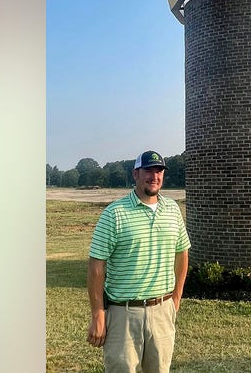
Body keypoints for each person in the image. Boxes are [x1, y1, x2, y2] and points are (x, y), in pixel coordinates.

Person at [86, 150, 191, 373]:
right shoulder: (114, 213)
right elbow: (96, 267)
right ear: (136, 174)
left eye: (159, 171)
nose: (155, 176)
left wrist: (175, 299)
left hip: (162, 311)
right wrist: (98, 314)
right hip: (124, 314)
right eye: (148, 170)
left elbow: (182, 253)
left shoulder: (172, 210)